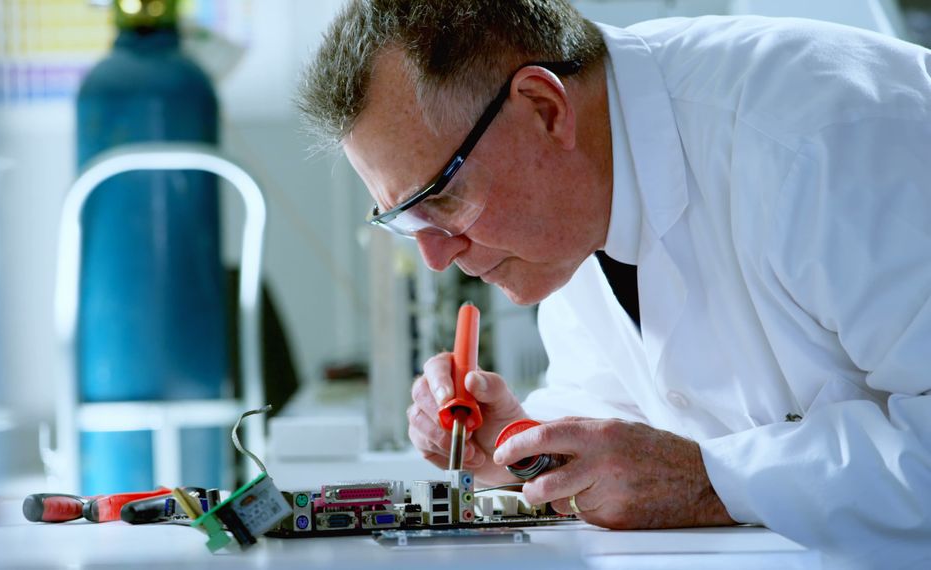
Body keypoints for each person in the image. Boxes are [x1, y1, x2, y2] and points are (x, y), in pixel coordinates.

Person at [297, 0, 931, 564]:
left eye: (444, 196)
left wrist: (709, 483)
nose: (435, 256)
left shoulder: (818, 138)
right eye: (406, 221)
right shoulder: (572, 211)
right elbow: (643, 420)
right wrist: (526, 450)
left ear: (545, 109)